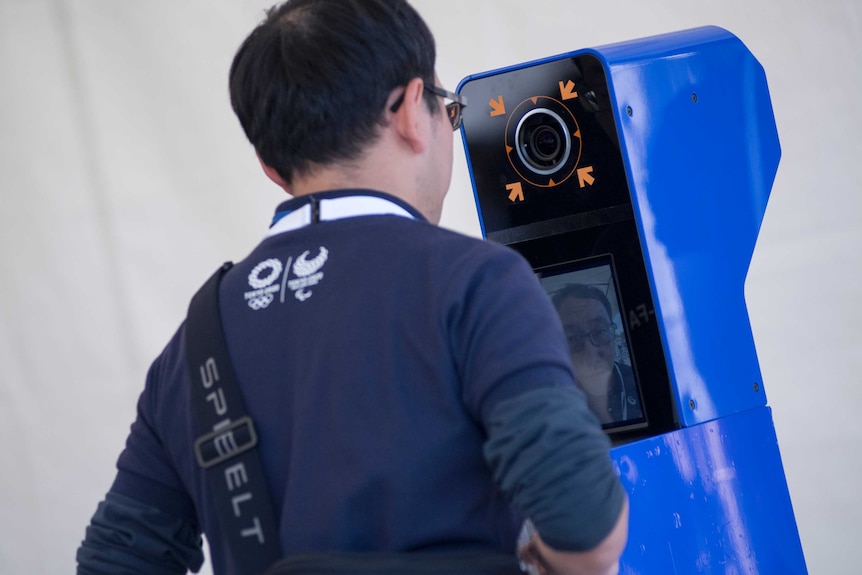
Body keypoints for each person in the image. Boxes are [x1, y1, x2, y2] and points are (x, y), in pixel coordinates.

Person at [76, 1, 629, 574]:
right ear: (415, 111)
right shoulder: (477, 283)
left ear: (268, 163)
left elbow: (114, 562)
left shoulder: (194, 345)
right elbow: (588, 530)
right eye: (450, 111)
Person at [551, 284, 643, 426]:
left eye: (600, 331)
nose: (591, 355)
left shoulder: (642, 382)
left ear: (612, 331)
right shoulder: (548, 407)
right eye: (571, 339)